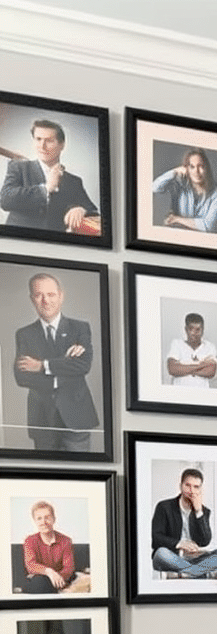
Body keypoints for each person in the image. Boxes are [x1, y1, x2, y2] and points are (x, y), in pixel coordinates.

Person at [13, 271, 98, 452]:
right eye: (38, 295)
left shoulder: (80, 328)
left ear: (61, 296)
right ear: (32, 299)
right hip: (42, 420)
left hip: (77, 417)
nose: (45, 301)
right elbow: (22, 377)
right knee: (47, 479)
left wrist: (41, 365)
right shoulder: (24, 334)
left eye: (51, 294)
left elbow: (83, 365)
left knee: (82, 476)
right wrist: (65, 365)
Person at [0, 118, 100, 235]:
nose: (42, 146)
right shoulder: (19, 167)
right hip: (18, 241)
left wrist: (81, 209)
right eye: (38, 139)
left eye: (49, 140)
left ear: (62, 145)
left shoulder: (74, 181)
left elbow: (93, 211)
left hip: (55, 248)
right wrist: (45, 189)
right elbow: (5, 200)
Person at [150, 467, 217, 578]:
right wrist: (180, 544)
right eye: (187, 485)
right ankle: (201, 573)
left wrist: (198, 511)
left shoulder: (204, 511)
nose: (191, 491)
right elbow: (156, 538)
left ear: (200, 489)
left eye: (196, 487)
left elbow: (205, 541)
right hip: (173, 557)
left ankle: (187, 573)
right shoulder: (164, 507)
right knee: (160, 554)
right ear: (180, 486)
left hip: (196, 559)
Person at [151, 148, 217, 234]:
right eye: (192, 167)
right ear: (187, 169)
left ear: (207, 169)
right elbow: (155, 187)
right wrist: (175, 171)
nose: (196, 171)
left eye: (201, 166)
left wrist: (177, 219)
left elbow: (209, 227)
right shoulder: (180, 185)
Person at [23, 500, 86, 594]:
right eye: (39, 518)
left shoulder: (66, 541)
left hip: (61, 579)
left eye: (47, 517)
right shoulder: (30, 540)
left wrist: (57, 578)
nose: (44, 522)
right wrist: (49, 572)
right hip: (39, 580)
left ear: (54, 519)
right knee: (40, 582)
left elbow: (69, 568)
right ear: (35, 521)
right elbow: (31, 565)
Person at [166, 312, 217, 389]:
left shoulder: (210, 347)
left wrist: (182, 368)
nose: (194, 333)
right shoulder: (177, 344)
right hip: (179, 393)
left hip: (202, 394)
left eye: (198, 329)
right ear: (186, 329)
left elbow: (211, 372)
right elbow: (172, 369)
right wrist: (202, 365)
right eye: (191, 329)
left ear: (203, 330)